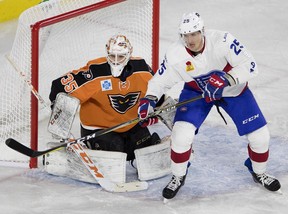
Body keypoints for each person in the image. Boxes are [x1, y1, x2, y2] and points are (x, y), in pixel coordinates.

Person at [137, 12, 281, 200]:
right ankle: (178, 176)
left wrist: (226, 78)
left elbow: (251, 65)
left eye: (194, 34)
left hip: (233, 91)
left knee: (260, 137)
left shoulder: (223, 40)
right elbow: (159, 80)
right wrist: (149, 98)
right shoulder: (175, 53)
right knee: (181, 135)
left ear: (202, 31)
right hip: (197, 92)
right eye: (186, 35)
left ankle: (258, 172)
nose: (190, 40)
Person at [49, 34, 169, 162]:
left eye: (121, 56)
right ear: (107, 54)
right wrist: (60, 125)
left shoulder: (142, 70)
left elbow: (158, 95)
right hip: (98, 129)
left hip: (131, 126)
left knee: (144, 151)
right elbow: (59, 87)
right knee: (114, 151)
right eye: (112, 56)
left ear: (129, 55)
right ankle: (88, 147)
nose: (116, 61)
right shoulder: (95, 72)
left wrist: (160, 112)